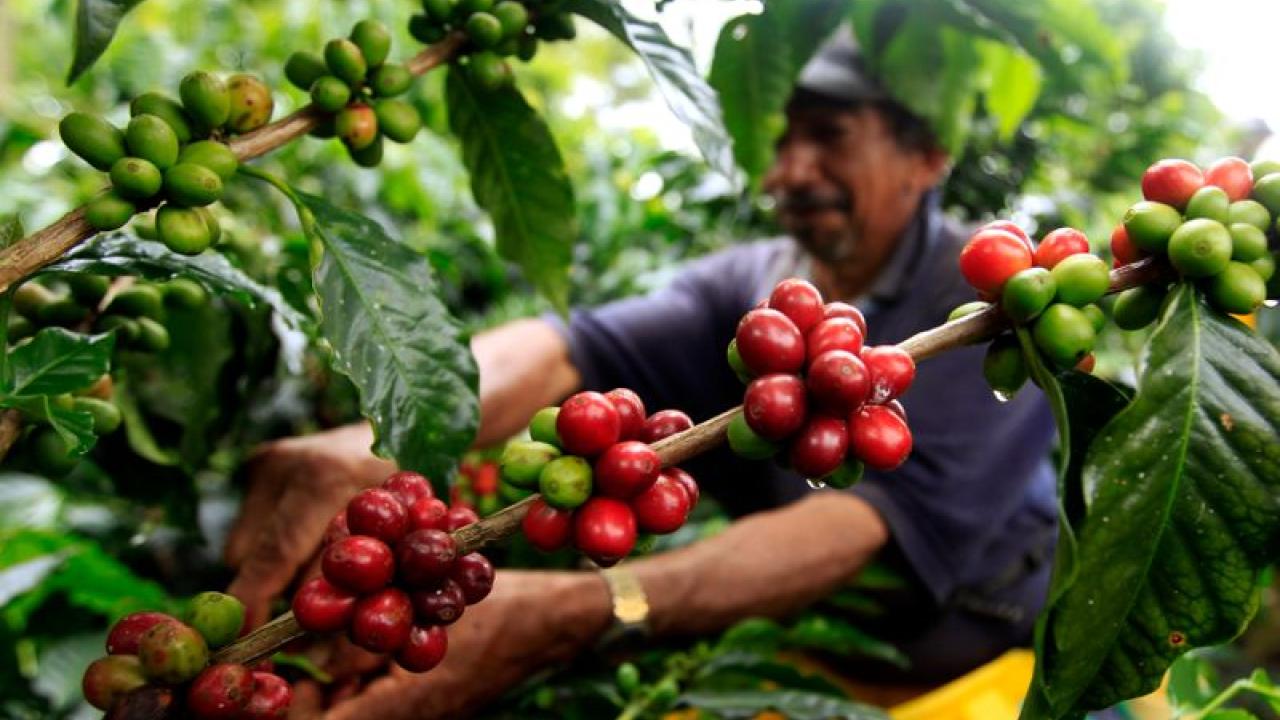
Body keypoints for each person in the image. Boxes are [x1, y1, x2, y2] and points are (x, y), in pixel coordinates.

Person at [226, 29, 1057, 718]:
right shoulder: (756, 284)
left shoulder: (981, 301)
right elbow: (564, 345)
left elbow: (863, 524)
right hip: (801, 652)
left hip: (985, 666)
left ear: (924, 159)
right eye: (782, 140)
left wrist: (580, 611)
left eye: (831, 136)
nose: (790, 173)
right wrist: (391, 434)